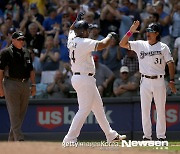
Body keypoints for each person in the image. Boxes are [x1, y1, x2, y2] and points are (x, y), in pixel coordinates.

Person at [63, 13, 126, 143]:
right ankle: (69, 139)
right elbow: (103, 44)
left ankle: (111, 135)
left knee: (98, 107)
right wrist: (110, 35)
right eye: (87, 30)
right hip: (85, 79)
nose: (89, 32)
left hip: (80, 78)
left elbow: (70, 30)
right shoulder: (83, 42)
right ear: (84, 31)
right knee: (84, 109)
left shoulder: (72, 39)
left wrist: (76, 20)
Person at [120, 21, 177, 140]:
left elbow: (171, 63)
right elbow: (122, 44)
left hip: (159, 80)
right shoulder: (140, 44)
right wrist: (130, 31)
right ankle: (147, 136)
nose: (147, 33)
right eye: (147, 31)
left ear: (157, 33)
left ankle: (161, 136)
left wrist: (171, 81)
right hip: (145, 80)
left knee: (160, 109)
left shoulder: (163, 47)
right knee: (145, 109)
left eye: (150, 31)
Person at [0, 31, 36, 141]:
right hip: (11, 83)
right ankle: (19, 139)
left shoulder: (26, 52)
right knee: (14, 112)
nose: (21, 41)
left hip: (25, 83)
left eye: (23, 39)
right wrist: (0, 87)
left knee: (21, 113)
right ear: (13, 40)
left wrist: (33, 85)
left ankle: (11, 141)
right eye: (19, 39)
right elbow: (0, 71)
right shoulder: (6, 52)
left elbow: (31, 70)